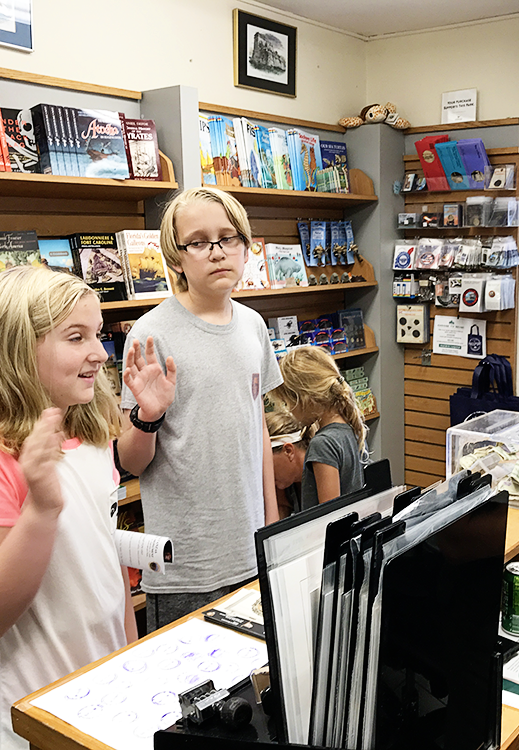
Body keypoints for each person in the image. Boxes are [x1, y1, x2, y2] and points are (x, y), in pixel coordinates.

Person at [0, 267, 139, 750]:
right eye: (76, 337)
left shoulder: (87, 435)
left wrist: (130, 658)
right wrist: (40, 511)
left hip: (102, 686)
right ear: (18, 349)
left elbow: (104, 568)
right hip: (26, 712)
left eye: (97, 334)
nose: (100, 352)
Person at [116, 186, 282, 632]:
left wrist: (270, 522)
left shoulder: (253, 325)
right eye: (198, 242)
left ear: (246, 248)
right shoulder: (151, 335)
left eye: (229, 238)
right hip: (185, 566)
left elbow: (257, 430)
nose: (217, 252)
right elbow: (132, 461)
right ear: (175, 258)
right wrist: (147, 416)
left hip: (250, 552)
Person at [272, 346, 367, 508]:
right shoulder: (351, 428)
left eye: (287, 403)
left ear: (304, 398)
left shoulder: (322, 444)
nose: (289, 410)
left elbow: (329, 517)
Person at [266, 407, 312, 519]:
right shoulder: (287, 482)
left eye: (267, 464)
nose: (266, 473)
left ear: (288, 451)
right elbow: (282, 507)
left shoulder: (320, 471)